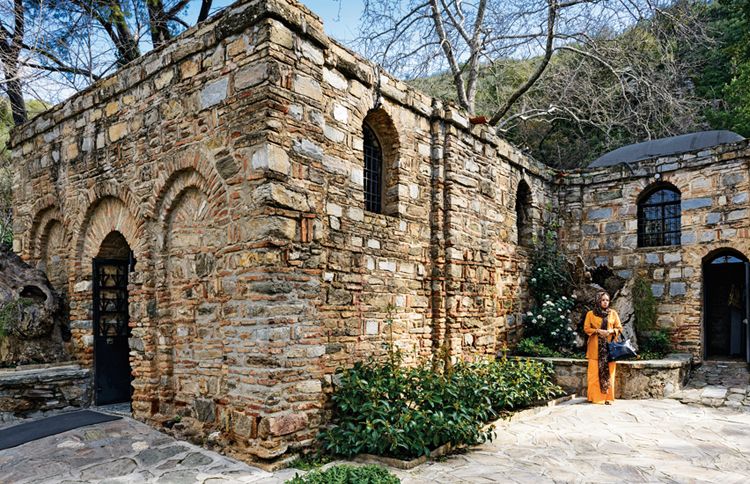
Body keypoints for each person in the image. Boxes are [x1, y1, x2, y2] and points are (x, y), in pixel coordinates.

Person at [583, 291, 623, 405]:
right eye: (602, 300)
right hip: (595, 349)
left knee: (609, 373)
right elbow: (586, 328)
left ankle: (607, 398)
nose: (605, 302)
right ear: (598, 301)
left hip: (609, 349)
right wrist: (597, 331)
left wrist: (611, 331)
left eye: (607, 300)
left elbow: (619, 328)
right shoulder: (590, 314)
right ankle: (595, 398)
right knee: (594, 374)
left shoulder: (613, 313)